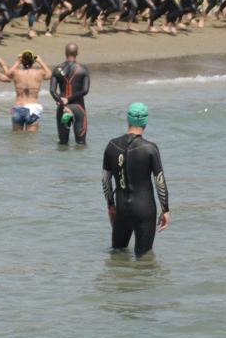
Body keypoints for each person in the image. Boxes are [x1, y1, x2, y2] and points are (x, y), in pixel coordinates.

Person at [102, 102, 170, 257]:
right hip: (145, 210)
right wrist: (165, 209)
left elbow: (105, 180)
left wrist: (111, 205)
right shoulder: (150, 148)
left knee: (117, 255)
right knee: (143, 258)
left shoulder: (112, 145)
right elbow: (160, 181)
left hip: (122, 209)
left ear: (128, 119)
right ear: (145, 122)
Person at [51, 42, 90, 147]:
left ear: (65, 53)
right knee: (81, 144)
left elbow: (52, 91)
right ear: (77, 53)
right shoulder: (83, 69)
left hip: (63, 108)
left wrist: (61, 102)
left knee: (63, 143)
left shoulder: (57, 69)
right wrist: (70, 99)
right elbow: (85, 90)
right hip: (78, 108)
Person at [9, 49, 51, 132]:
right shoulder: (39, 73)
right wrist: (40, 61)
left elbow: (8, 74)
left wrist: (17, 62)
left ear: (22, 61)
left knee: (17, 139)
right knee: (31, 139)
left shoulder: (16, 73)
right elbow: (49, 74)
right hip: (33, 109)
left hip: (18, 107)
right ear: (33, 61)